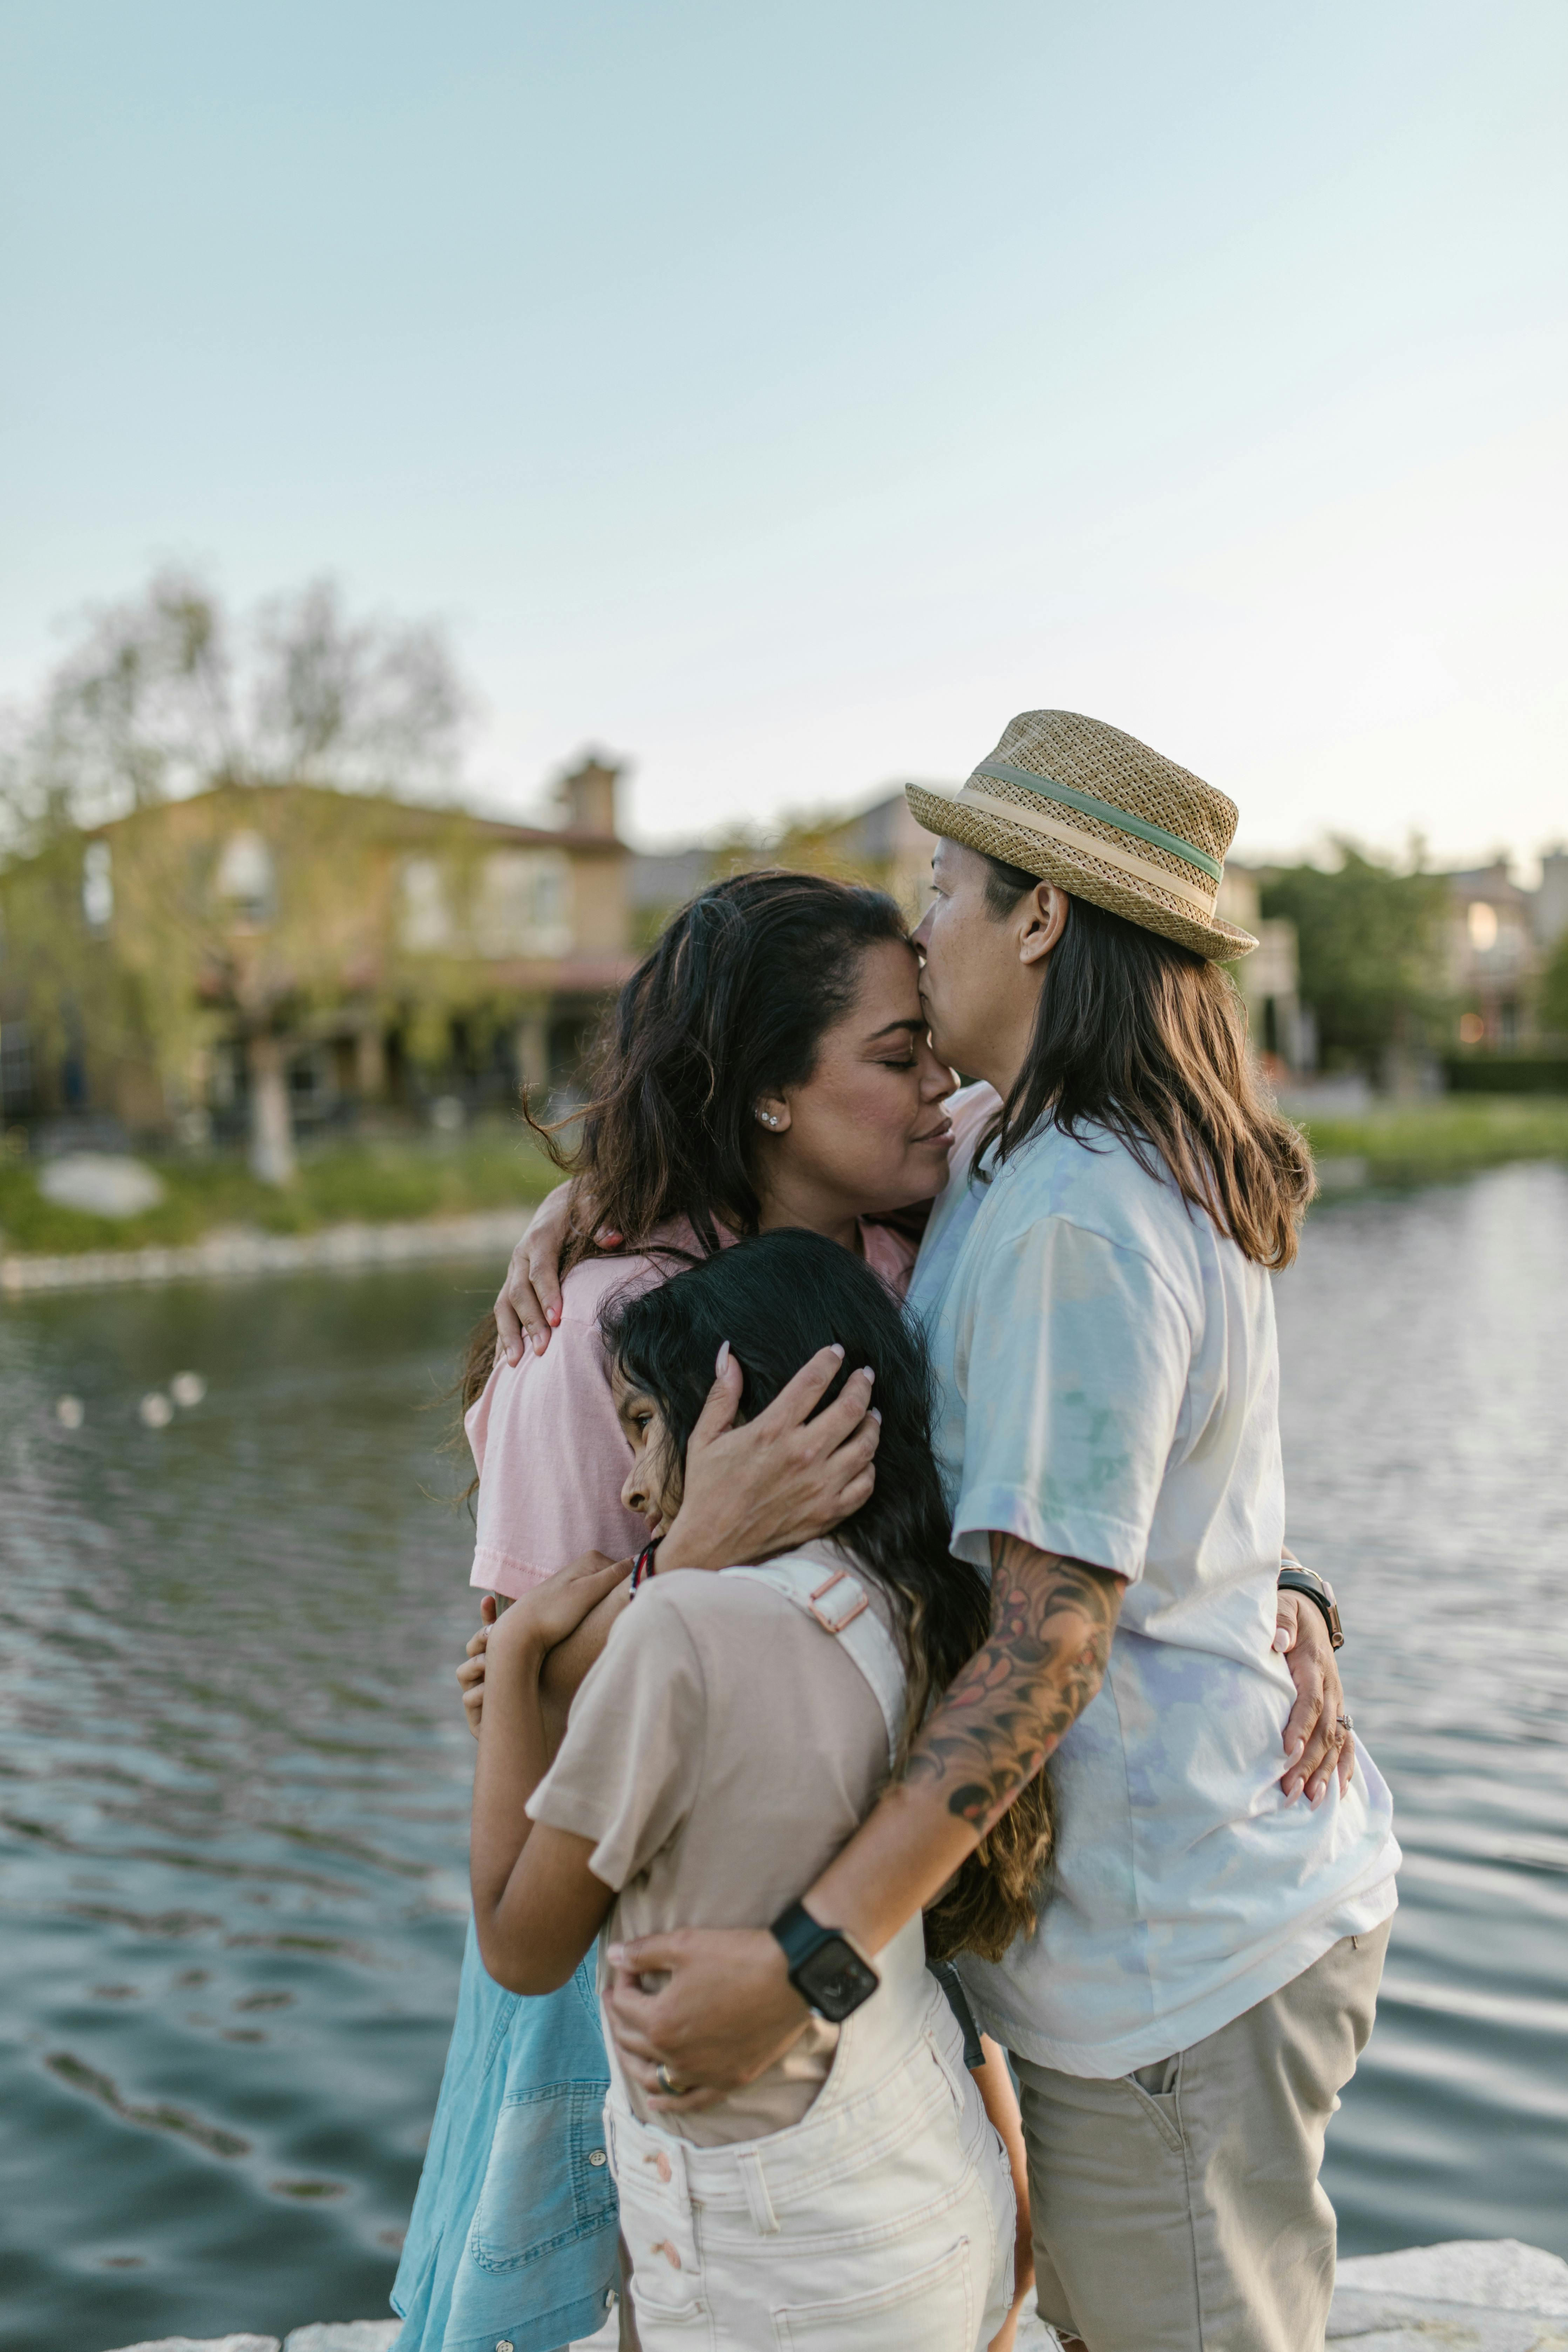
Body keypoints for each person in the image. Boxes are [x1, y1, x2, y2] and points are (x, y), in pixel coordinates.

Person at [566, 711, 1399, 2352]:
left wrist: (806, 1965)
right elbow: (1174, 1500)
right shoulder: (1023, 1146)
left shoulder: (1081, 1213)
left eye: (946, 885)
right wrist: (584, 1204)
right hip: (1144, 1945)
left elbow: (1053, 1641)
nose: (921, 923)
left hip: (1170, 1964)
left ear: (1041, 918)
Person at [392, 871, 1039, 2352]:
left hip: (878, 1923)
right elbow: (518, 1687)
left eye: (935, 1044)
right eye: (897, 1058)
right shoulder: (597, 1339)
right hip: (638, 1937)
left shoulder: (915, 1237)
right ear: (764, 1095)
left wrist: (1287, 1587)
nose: (945, 1087)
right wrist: (687, 1557)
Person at [470, 1230, 1030, 2348]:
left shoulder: (677, 1631)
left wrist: (522, 1667)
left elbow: (519, 1947)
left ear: (736, 1404)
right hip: (924, 2177)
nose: (629, 1486)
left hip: (784, 2268)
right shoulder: (913, 1594)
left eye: (641, 1424)